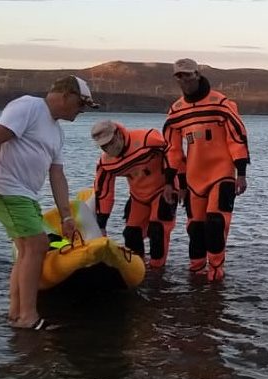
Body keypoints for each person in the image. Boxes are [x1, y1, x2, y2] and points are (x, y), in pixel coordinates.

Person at [0, 75, 98, 330]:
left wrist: (67, 217)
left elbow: (57, 175)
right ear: (66, 96)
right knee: (38, 245)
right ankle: (28, 316)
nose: (81, 111)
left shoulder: (57, 133)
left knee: (27, 250)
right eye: (81, 104)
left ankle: (16, 314)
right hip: (6, 190)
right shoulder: (28, 106)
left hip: (26, 195)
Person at [162, 58, 250, 281]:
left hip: (221, 173)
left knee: (215, 223)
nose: (184, 80)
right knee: (195, 228)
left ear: (197, 75)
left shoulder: (220, 103)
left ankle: (216, 270)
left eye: (188, 75)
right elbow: (172, 150)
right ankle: (196, 269)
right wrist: (171, 183)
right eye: (179, 76)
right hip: (194, 177)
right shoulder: (176, 110)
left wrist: (241, 173)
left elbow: (236, 138)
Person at [90, 120, 177, 268]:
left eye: (110, 143)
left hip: (163, 190)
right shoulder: (106, 163)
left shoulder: (147, 139)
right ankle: (137, 267)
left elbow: (172, 152)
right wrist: (102, 223)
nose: (108, 149)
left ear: (118, 134)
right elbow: (104, 192)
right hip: (139, 197)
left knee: (158, 230)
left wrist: (172, 183)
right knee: (131, 234)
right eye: (104, 146)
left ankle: (157, 268)